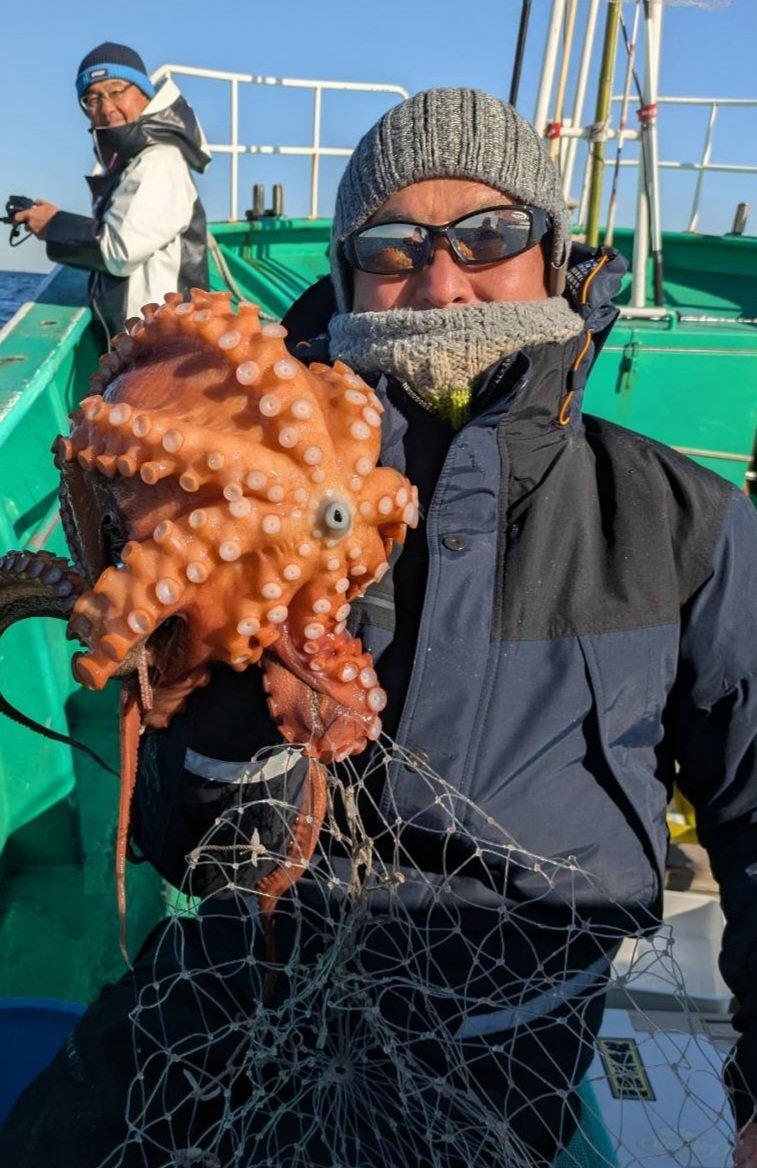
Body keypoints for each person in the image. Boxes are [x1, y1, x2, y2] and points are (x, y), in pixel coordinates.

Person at [2, 87, 757, 1167]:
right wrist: (215, 713)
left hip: (506, 1043)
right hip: (242, 984)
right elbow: (180, 842)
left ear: (552, 253)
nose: (442, 283)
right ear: (348, 271)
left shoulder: (680, 520)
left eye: (489, 235)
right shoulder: (228, 504)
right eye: (394, 246)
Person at [14, 42, 211, 345]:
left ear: (144, 94)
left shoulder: (159, 160)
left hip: (163, 346)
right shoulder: (135, 161)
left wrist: (53, 225)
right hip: (142, 344)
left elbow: (120, 252)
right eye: (92, 99)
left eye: (116, 91)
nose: (106, 108)